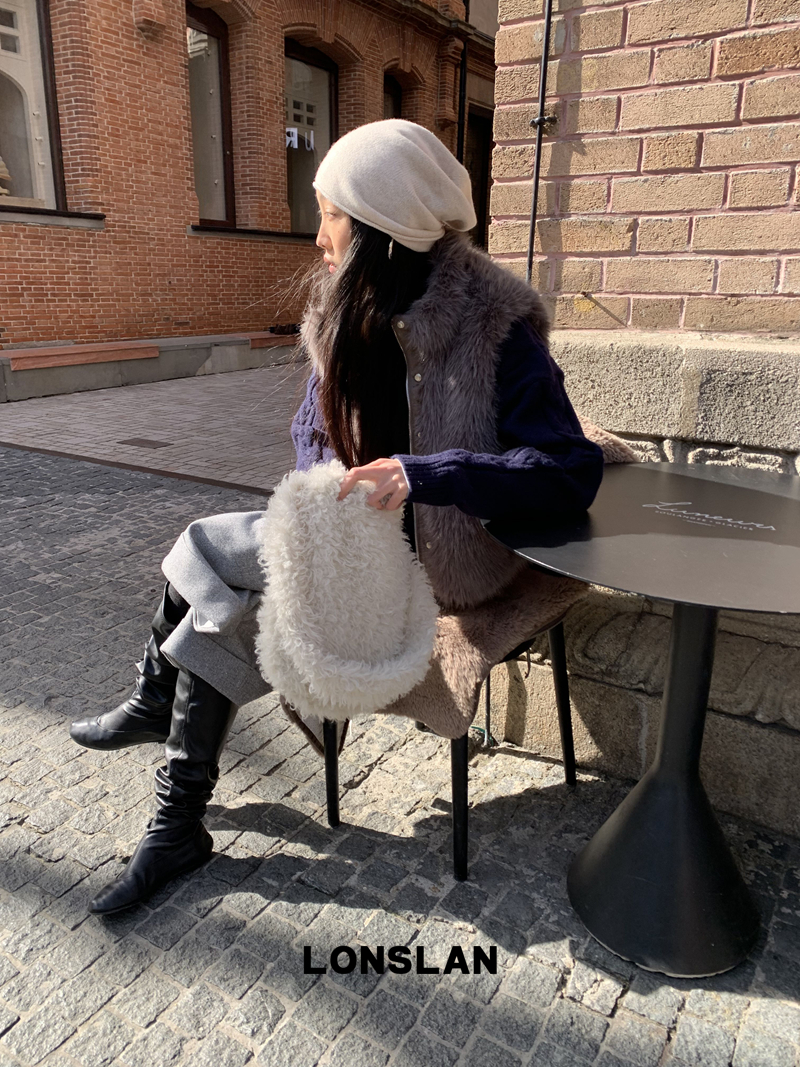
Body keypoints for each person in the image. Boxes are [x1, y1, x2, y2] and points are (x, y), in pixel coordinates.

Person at [69, 119, 604, 914]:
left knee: (206, 551)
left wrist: (423, 475)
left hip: (450, 562)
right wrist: (325, 511)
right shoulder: (344, 308)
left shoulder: (497, 324)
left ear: (383, 227)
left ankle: (158, 711)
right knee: (232, 593)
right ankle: (176, 819)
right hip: (359, 546)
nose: (318, 237)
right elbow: (309, 442)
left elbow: (569, 469)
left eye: (331, 216)